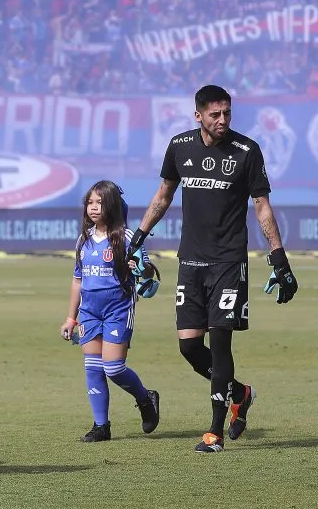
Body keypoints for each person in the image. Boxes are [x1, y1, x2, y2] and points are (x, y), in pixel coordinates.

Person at [128, 85, 298, 453]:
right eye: (215, 114)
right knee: (189, 347)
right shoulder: (179, 146)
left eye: (227, 114)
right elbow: (163, 196)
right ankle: (239, 393)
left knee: (220, 342)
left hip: (227, 261)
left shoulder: (247, 151)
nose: (222, 121)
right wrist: (138, 238)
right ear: (198, 115)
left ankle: (215, 431)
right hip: (190, 260)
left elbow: (262, 206)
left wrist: (278, 255)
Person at [59, 181, 161, 442]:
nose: (94, 208)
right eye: (90, 203)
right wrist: (71, 317)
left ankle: (144, 397)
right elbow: (78, 280)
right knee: (93, 368)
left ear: (112, 205)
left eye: (100, 203)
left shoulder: (126, 238)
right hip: (89, 312)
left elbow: (148, 272)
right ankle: (101, 426)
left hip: (118, 309)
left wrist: (141, 267)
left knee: (113, 368)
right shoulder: (83, 239)